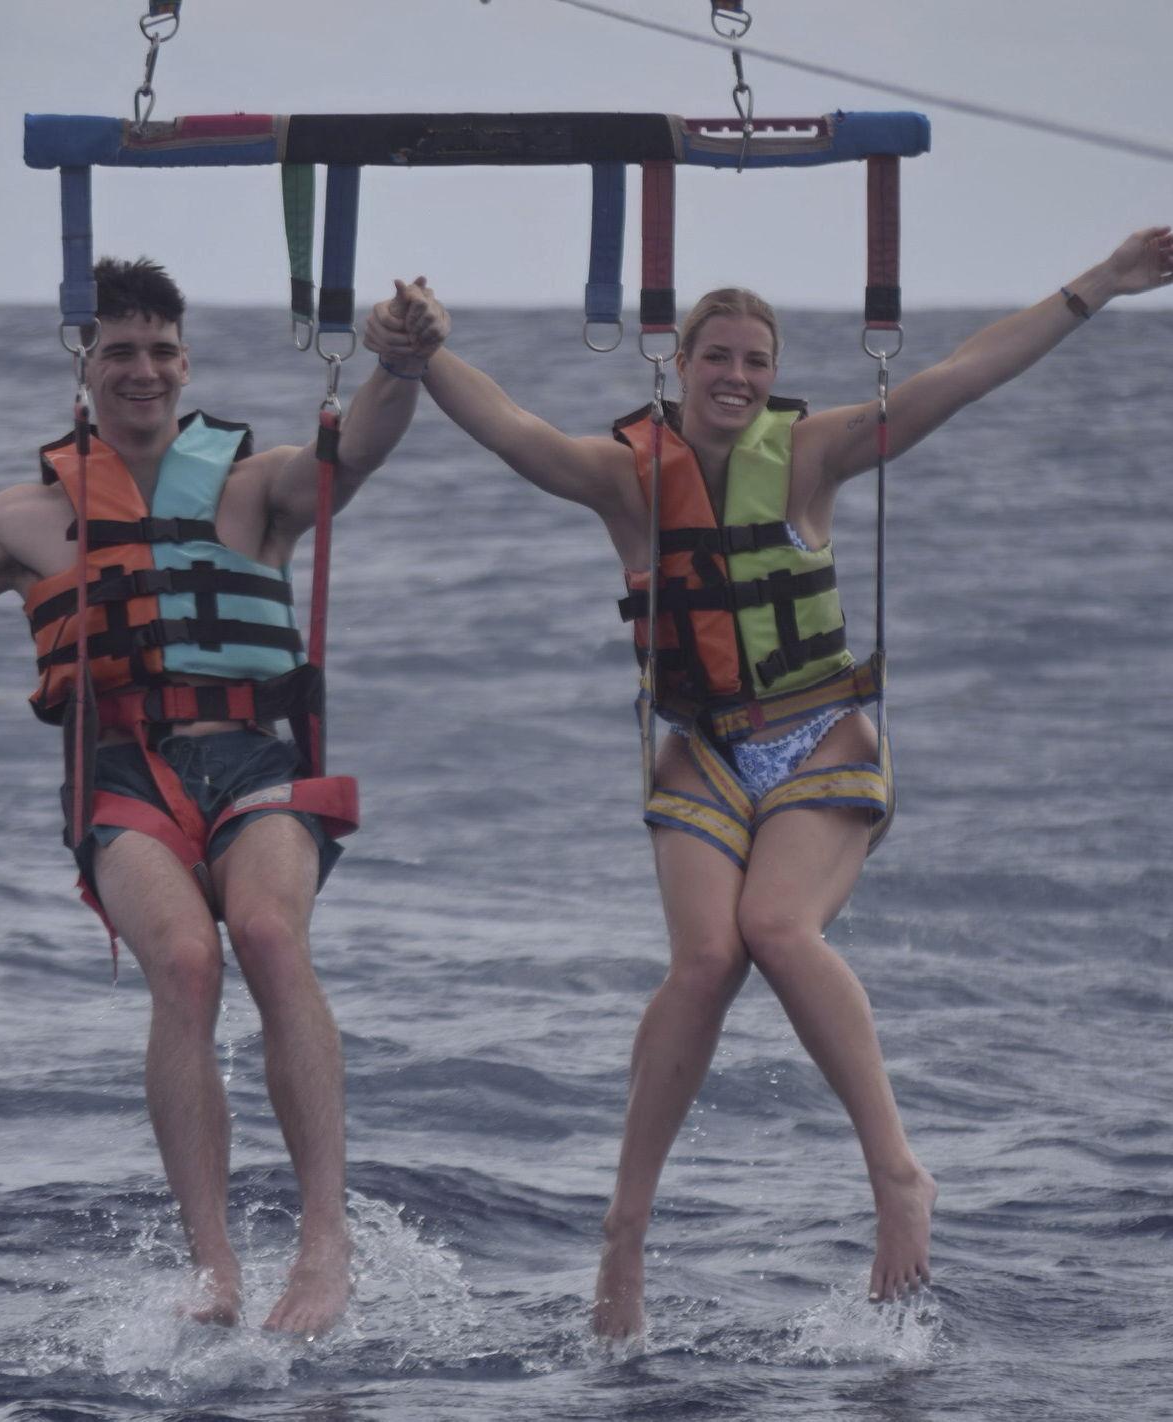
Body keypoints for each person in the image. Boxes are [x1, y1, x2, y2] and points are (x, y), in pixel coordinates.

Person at [366, 228, 1173, 1337]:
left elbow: (963, 373)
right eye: (717, 358)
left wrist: (1103, 285)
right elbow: (507, 426)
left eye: (756, 360)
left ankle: (896, 1176)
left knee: (778, 930)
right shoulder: (622, 479)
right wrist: (423, 351)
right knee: (703, 962)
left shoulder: (814, 454)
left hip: (819, 740)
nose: (737, 377)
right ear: (679, 364)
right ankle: (625, 1234)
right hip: (700, 748)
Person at [0, 257, 446, 1336]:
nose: (143, 370)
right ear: (85, 367)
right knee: (182, 960)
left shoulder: (256, 487)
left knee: (265, 931)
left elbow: (359, 441)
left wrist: (398, 359)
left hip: (256, 765)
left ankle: (322, 1244)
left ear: (185, 362)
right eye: (120, 351)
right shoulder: (23, 523)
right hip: (121, 777)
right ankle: (215, 1269)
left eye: (162, 351)